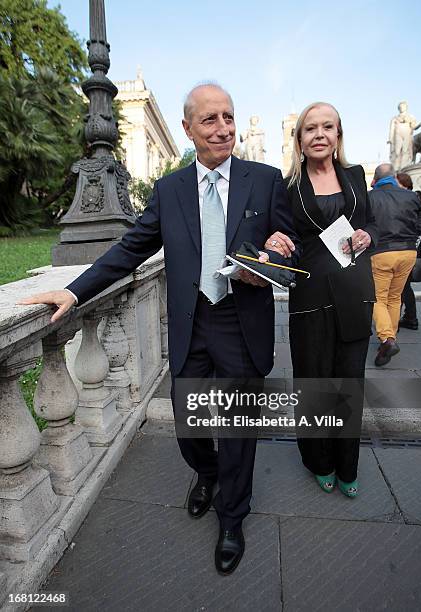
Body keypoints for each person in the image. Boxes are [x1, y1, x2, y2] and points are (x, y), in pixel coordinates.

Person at [18, 83, 298, 575]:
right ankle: (206, 474)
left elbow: (284, 239)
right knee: (191, 426)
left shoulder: (265, 178)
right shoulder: (169, 191)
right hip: (192, 323)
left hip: (242, 321)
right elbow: (130, 250)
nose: (224, 128)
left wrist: (275, 252)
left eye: (229, 117)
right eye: (210, 120)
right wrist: (75, 291)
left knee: (238, 429)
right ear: (188, 129)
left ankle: (232, 517)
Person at [264, 102, 378, 498]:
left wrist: (367, 236)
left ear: (338, 134)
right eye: (310, 128)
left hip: (354, 294)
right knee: (315, 383)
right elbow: (284, 235)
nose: (319, 134)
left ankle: (347, 465)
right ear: (299, 139)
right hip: (310, 298)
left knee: (349, 384)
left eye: (327, 127)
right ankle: (319, 460)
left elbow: (371, 223)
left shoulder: (355, 176)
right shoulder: (288, 185)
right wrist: (275, 245)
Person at [369, 163, 421, 365]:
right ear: (393, 177)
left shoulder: (370, 197)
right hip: (408, 252)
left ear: (375, 180)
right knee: (394, 297)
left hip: (381, 252)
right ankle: (389, 340)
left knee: (378, 298)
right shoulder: (411, 196)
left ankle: (387, 339)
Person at [396, 175, 421, 330]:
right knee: (404, 285)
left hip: (406, 246)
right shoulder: (411, 198)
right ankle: (410, 317)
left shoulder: (409, 199)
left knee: (400, 287)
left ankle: (407, 318)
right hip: (409, 246)